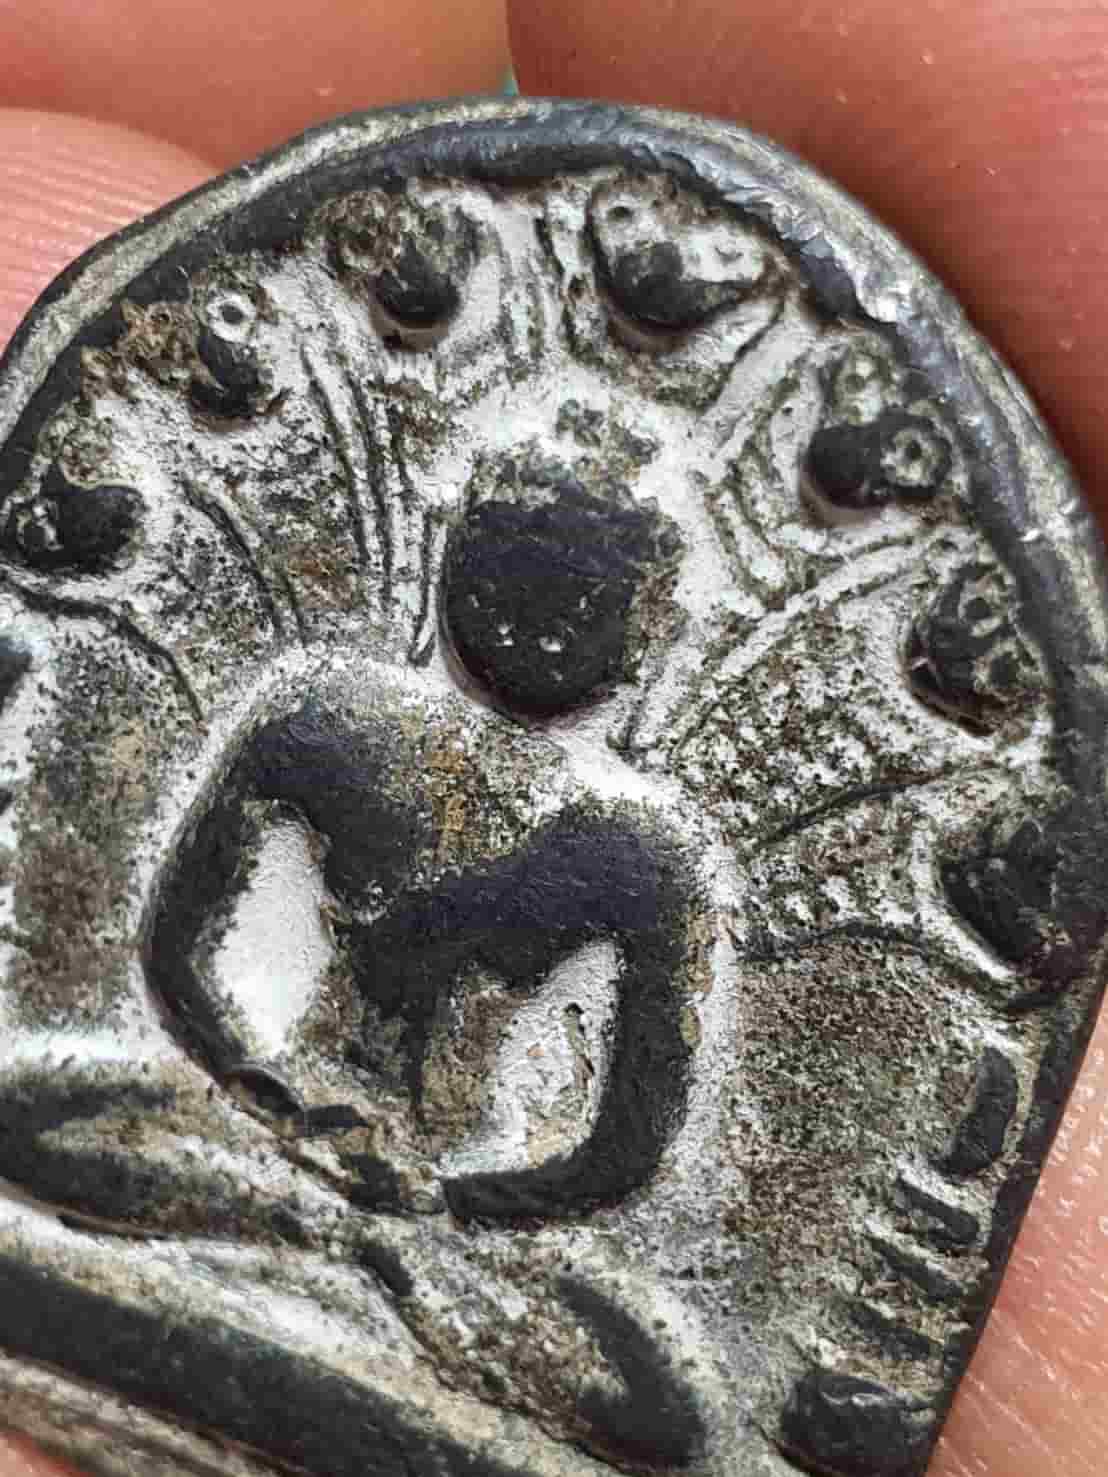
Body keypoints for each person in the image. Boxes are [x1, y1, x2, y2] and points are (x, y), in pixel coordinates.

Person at [0, 2, 1105, 1473]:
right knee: (41, 1116)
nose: (535, 621)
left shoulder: (639, 856)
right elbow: (181, 957)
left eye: (579, 598)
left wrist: (452, 1195)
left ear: (636, 633)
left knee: (653, 1395)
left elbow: (620, 1149)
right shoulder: (325, 719)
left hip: (452, 1229)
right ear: (455, 567)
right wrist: (271, 1094)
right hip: (244, 1139)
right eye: (513, 572)